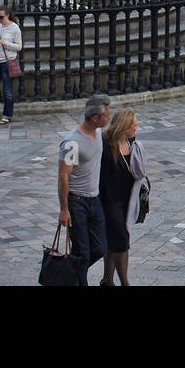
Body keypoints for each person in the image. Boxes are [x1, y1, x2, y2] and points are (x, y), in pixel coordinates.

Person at [58, 94, 112, 286]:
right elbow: (63, 176)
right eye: (106, 115)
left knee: (99, 248)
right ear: (94, 118)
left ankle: (67, 275)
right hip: (77, 202)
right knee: (82, 253)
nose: (108, 118)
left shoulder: (97, 133)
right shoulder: (72, 143)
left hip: (94, 200)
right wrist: (64, 209)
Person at [99, 107, 147, 286]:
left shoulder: (131, 142)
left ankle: (107, 280)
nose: (136, 128)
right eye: (133, 125)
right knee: (121, 240)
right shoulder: (106, 144)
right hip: (109, 200)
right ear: (124, 126)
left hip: (127, 199)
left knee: (114, 241)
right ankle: (125, 282)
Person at [0, 6, 23, 123]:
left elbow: (19, 46)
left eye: (1, 17)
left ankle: (7, 114)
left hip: (7, 62)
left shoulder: (15, 28)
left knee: (7, 90)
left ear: (7, 15)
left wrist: (4, 42)